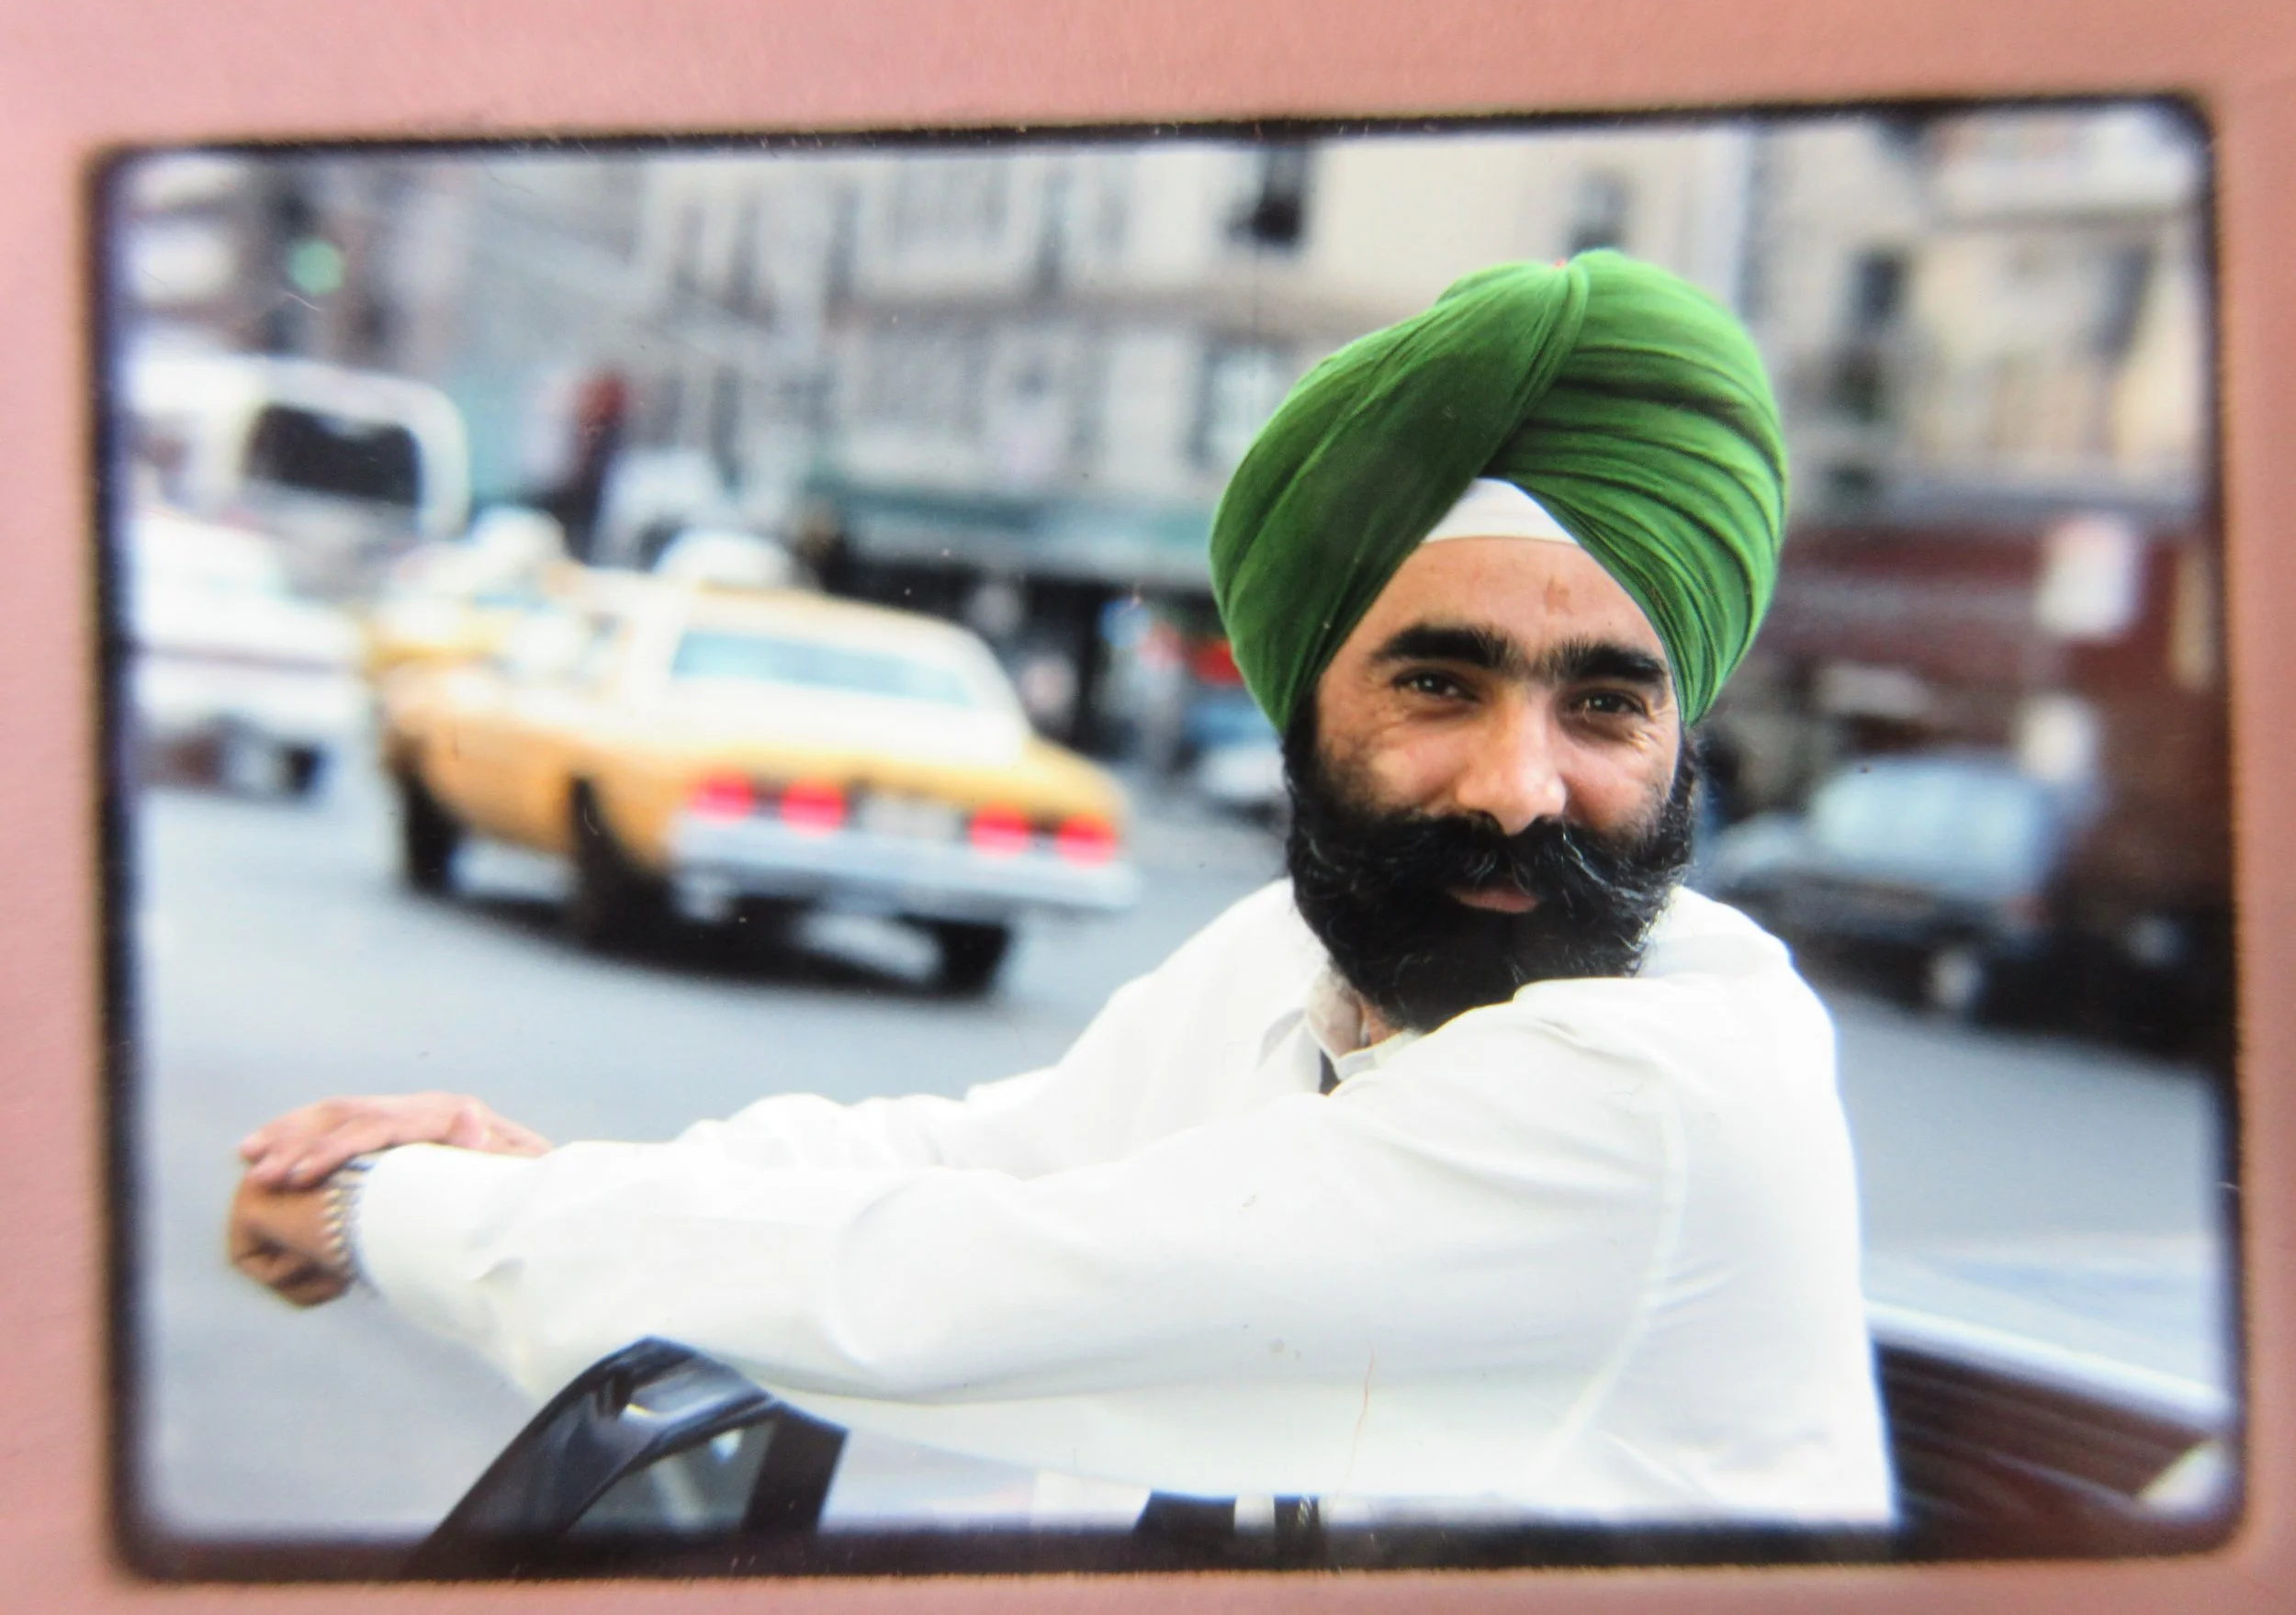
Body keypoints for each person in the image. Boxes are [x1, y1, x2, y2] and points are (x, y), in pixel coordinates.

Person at [228, 252, 1891, 1523]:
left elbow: (953, 1286)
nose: (1522, 788)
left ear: (1683, 743)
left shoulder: (1662, 1095)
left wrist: (400, 1211)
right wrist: (567, 1172)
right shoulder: (1290, 972)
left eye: (1605, 702)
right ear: (1299, 708)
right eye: (1440, 686)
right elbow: (959, 1160)